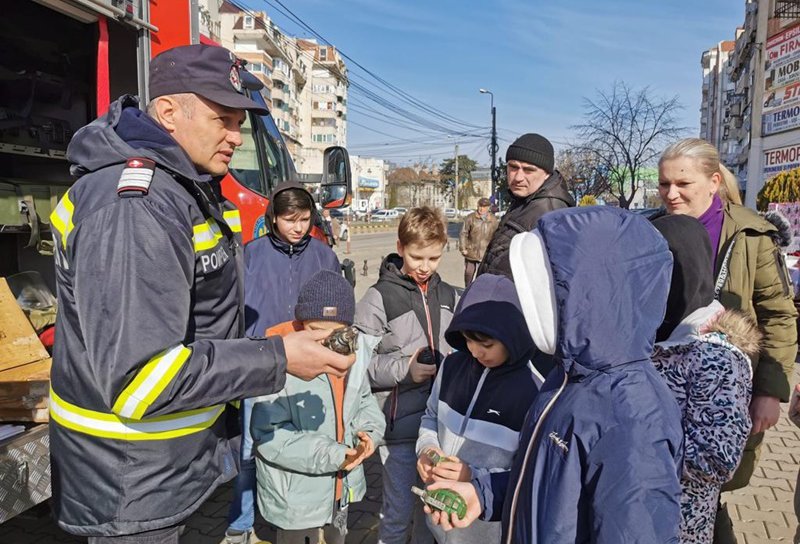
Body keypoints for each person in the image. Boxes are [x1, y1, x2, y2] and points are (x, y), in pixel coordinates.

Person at [46, 44, 355, 543]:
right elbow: (140, 381)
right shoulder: (136, 207)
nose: (235, 138)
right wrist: (277, 358)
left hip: (163, 470)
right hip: (131, 483)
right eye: (223, 119)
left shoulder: (180, 186)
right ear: (168, 113)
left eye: (239, 122)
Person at [427, 206, 684, 543]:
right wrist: (483, 493)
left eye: (546, 286)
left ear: (587, 293)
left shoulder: (633, 417)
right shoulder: (567, 378)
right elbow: (545, 483)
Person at [656, 138, 798, 542]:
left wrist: (770, 390)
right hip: (666, 379)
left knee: (710, 486)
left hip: (727, 387)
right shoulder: (653, 228)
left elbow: (779, 317)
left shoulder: (752, 235)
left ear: (714, 181)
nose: (671, 193)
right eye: (664, 184)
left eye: (682, 183)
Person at [225, 181, 341, 543]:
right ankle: (241, 522)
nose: (298, 227)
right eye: (289, 219)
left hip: (311, 364)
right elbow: (235, 308)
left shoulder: (324, 256)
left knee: (305, 443)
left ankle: (303, 517)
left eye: (304, 219)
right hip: (261, 363)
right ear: (272, 217)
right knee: (249, 448)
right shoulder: (251, 254)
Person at [251, 270, 385, 544]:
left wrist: (369, 433)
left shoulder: (354, 355)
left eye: (335, 333)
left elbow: (364, 401)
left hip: (340, 488)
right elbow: (268, 435)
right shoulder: (280, 361)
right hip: (296, 498)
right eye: (315, 331)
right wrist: (331, 454)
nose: (324, 341)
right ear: (300, 325)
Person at [651, 215, 760, 544]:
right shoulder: (654, 330)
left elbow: (717, 460)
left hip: (680, 525)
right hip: (639, 515)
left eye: (664, 268)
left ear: (689, 267)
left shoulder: (717, 357)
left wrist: (637, 445)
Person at [355, 206, 457, 544]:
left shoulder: (449, 296)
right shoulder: (378, 298)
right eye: (417, 257)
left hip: (440, 429)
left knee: (431, 515)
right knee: (397, 514)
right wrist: (405, 371)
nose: (425, 266)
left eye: (434, 258)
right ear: (400, 248)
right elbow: (358, 366)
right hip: (398, 430)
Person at [415, 273, 541, 544]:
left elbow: (529, 471)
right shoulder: (451, 367)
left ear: (514, 336)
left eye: (487, 344)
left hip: (485, 532)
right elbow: (431, 417)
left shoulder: (533, 391)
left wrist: (473, 477)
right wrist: (426, 449)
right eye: (468, 340)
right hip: (439, 523)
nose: (475, 351)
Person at [477, 133, 575, 278]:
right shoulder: (525, 201)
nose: (518, 177)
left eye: (528, 170)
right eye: (513, 167)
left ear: (547, 174)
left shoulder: (548, 214)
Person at [459, 197, 498, 288]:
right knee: (469, 273)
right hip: (471, 250)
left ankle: (478, 291)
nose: (481, 209)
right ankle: (467, 289)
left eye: (484, 207)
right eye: (480, 206)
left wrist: (494, 250)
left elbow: (496, 235)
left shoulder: (493, 220)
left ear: (488, 208)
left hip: (485, 252)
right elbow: (463, 233)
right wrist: (463, 248)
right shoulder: (470, 218)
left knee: (482, 274)